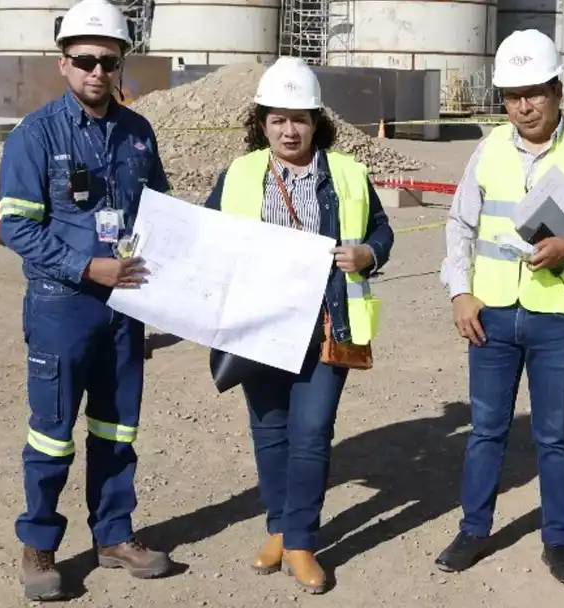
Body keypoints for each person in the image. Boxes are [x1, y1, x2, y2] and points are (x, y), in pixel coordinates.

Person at [436, 29, 564, 584]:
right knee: (486, 430)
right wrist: (459, 291)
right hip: (491, 313)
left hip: (557, 316)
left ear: (557, 90)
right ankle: (473, 530)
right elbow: (460, 224)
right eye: (512, 94)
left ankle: (559, 540)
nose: (524, 105)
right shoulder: (489, 148)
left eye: (535, 92)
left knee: (554, 434)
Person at [0, 0, 173, 600]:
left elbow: (161, 215)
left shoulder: (138, 133)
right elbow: (16, 226)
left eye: (108, 60)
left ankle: (114, 534)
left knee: (117, 429)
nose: (97, 71)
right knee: (52, 433)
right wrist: (84, 266)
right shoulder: (36, 135)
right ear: (63, 63)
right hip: (62, 305)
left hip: (124, 308)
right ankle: (39, 544)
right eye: (84, 60)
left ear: (121, 63)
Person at [202, 56, 395, 595]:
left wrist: (367, 254)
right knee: (270, 434)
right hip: (258, 325)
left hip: (326, 325)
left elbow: (382, 230)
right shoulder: (239, 175)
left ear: (317, 122)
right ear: (262, 123)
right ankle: (279, 528)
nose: (290, 130)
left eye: (300, 119)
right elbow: (208, 239)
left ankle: (302, 540)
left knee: (310, 435)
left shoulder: (350, 175)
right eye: (278, 119)